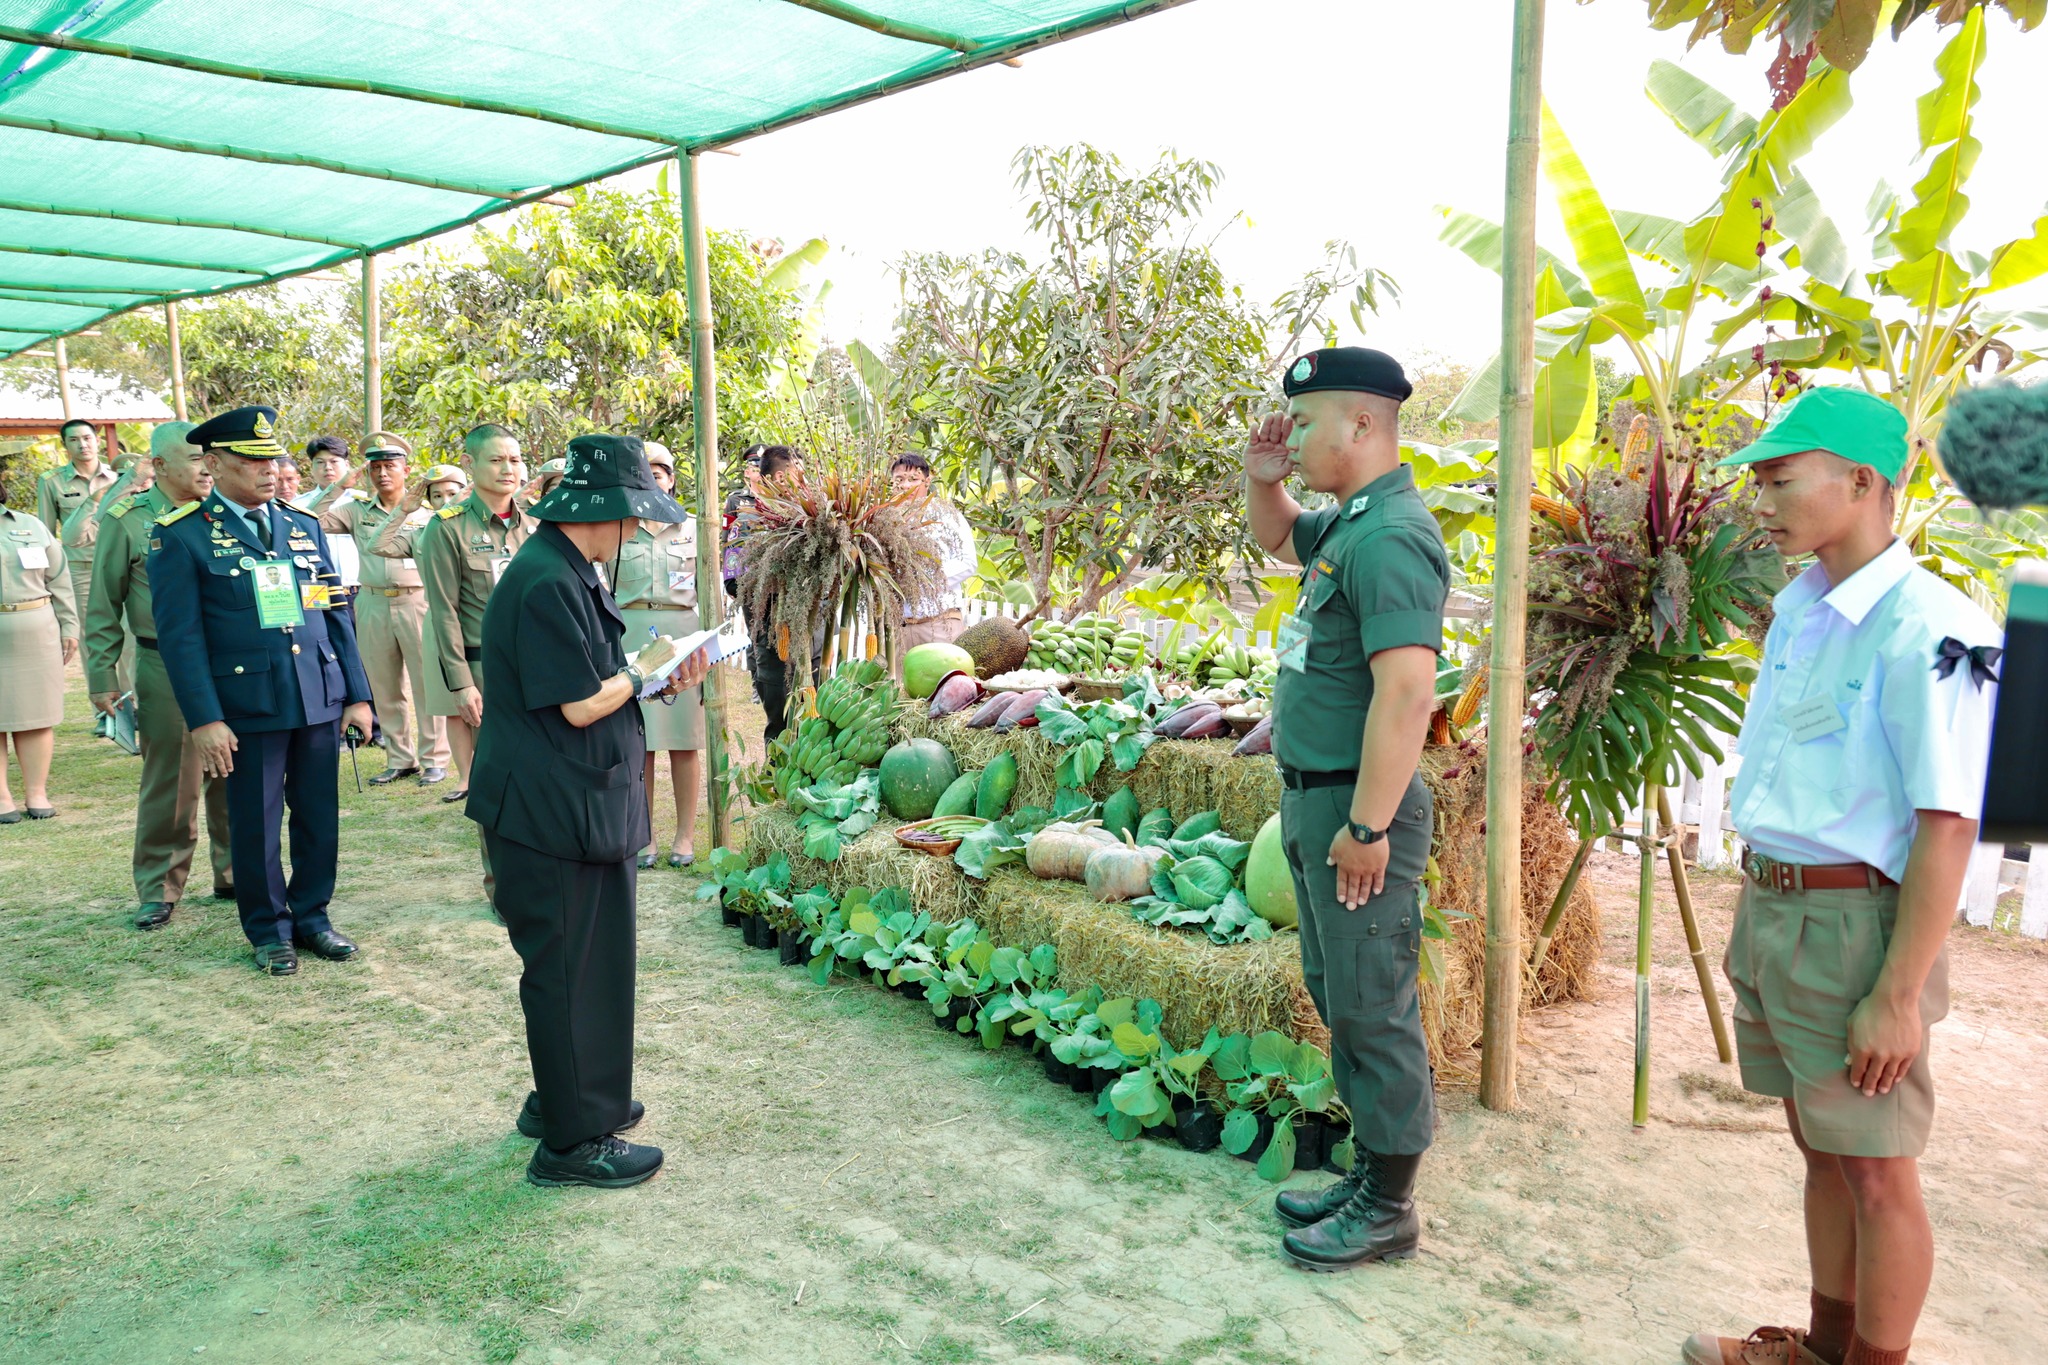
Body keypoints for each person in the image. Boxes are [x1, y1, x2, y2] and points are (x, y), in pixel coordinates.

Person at [1682, 389, 2000, 1365]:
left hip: (1854, 929)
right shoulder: (1800, 609)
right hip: (1774, 908)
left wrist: (1895, 996)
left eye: (1779, 480)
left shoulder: (1933, 628)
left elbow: (1948, 824)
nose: (1761, 500)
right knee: (1819, 1149)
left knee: (1876, 1175)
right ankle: (1820, 1348)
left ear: (1859, 482)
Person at [1242, 347, 1446, 1272]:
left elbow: (1408, 694)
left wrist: (1367, 826)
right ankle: (1372, 1174)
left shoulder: (1393, 535)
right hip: (1319, 802)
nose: (1299, 436)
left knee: (1373, 1002)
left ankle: (1391, 1207)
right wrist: (1263, 480)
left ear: (1363, 425)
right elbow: (1279, 537)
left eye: (1311, 420)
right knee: (1343, 997)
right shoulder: (1353, 524)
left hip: (1356, 813)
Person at [465, 433, 711, 1188]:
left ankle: (570, 1096)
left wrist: (652, 678)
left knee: (586, 963)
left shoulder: (565, 568)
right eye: (631, 517)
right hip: (551, 810)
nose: (636, 532)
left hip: (568, 800)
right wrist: (646, 674)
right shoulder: (547, 581)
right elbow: (580, 704)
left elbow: (593, 678)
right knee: (571, 969)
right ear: (599, 511)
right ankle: (574, 1140)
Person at [148, 405, 374, 976]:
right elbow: (181, 640)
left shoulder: (302, 525)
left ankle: (312, 917)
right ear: (216, 464)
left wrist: (357, 693)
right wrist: (204, 719)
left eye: (273, 457)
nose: (269, 469)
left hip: (316, 694)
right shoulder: (182, 536)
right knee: (256, 820)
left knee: (319, 816)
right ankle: (269, 930)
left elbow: (335, 612)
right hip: (248, 705)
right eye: (253, 460)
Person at [86, 421, 234, 928]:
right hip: (163, 663)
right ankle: (160, 886)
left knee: (235, 773)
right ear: (160, 466)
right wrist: (102, 674)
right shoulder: (127, 520)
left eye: (209, 458)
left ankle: (235, 873)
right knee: (173, 780)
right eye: (195, 459)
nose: (205, 468)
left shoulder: (224, 514)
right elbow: (103, 604)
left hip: (229, 662)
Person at [371, 424, 533, 816]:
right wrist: (461, 684)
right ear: (469, 464)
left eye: (514, 459)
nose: (506, 469)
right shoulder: (447, 527)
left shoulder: (536, 525)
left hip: (533, 665)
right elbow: (443, 610)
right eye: (495, 460)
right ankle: (500, 874)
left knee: (534, 774)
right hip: (482, 667)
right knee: (495, 780)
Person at [307, 435, 450, 787]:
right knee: (384, 686)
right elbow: (311, 520)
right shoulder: (356, 509)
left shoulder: (427, 510)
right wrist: (341, 485)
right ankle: (401, 759)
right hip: (372, 600)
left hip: (418, 599)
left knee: (427, 683)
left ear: (406, 469)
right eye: (375, 467)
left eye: (389, 466)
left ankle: (435, 759)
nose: (382, 473)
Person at [610, 441, 703, 869]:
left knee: (684, 743)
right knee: (638, 743)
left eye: (660, 472)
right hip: (630, 635)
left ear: (671, 479)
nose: (653, 479)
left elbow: (710, 591)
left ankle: (685, 837)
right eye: (644, 472)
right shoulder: (617, 526)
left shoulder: (695, 528)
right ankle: (643, 835)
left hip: (682, 634)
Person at [0, 466, 79, 822]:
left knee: (36, 715)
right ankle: (2, 799)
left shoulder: (29, 525)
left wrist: (69, 626)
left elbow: (59, 578)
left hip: (36, 627)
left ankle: (37, 793)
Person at [734, 445, 812, 744]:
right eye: (799, 476)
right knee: (780, 727)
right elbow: (734, 583)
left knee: (816, 728)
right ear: (780, 478)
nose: (805, 484)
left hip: (813, 643)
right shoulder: (747, 523)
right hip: (772, 640)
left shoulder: (810, 522)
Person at [889, 452, 977, 654]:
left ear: (927, 482)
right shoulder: (886, 520)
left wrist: (923, 579)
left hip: (939, 624)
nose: (906, 486)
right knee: (896, 685)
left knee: (945, 684)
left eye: (913, 479)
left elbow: (968, 562)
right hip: (899, 629)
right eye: (899, 480)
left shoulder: (947, 515)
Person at [35, 418, 118, 627]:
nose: (82, 444)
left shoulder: (118, 478)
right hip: (81, 570)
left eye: (87, 438)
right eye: (74, 440)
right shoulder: (51, 481)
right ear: (65, 445)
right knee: (89, 632)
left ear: (97, 441)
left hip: (119, 564)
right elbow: (46, 534)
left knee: (126, 634)